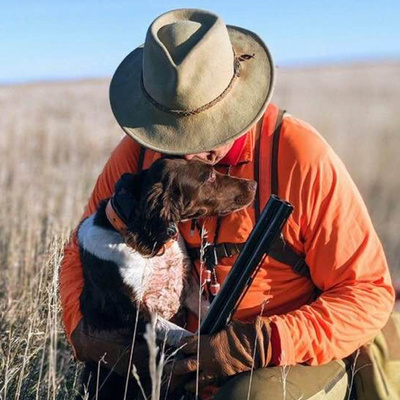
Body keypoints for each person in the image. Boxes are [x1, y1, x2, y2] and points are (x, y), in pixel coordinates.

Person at [59, 8, 395, 400]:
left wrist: (257, 343)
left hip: (283, 359)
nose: (191, 151)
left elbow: (368, 294)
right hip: (172, 356)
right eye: (175, 136)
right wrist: (86, 332)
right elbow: (78, 253)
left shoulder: (299, 154)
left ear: (235, 103)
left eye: (206, 130)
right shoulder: (137, 155)